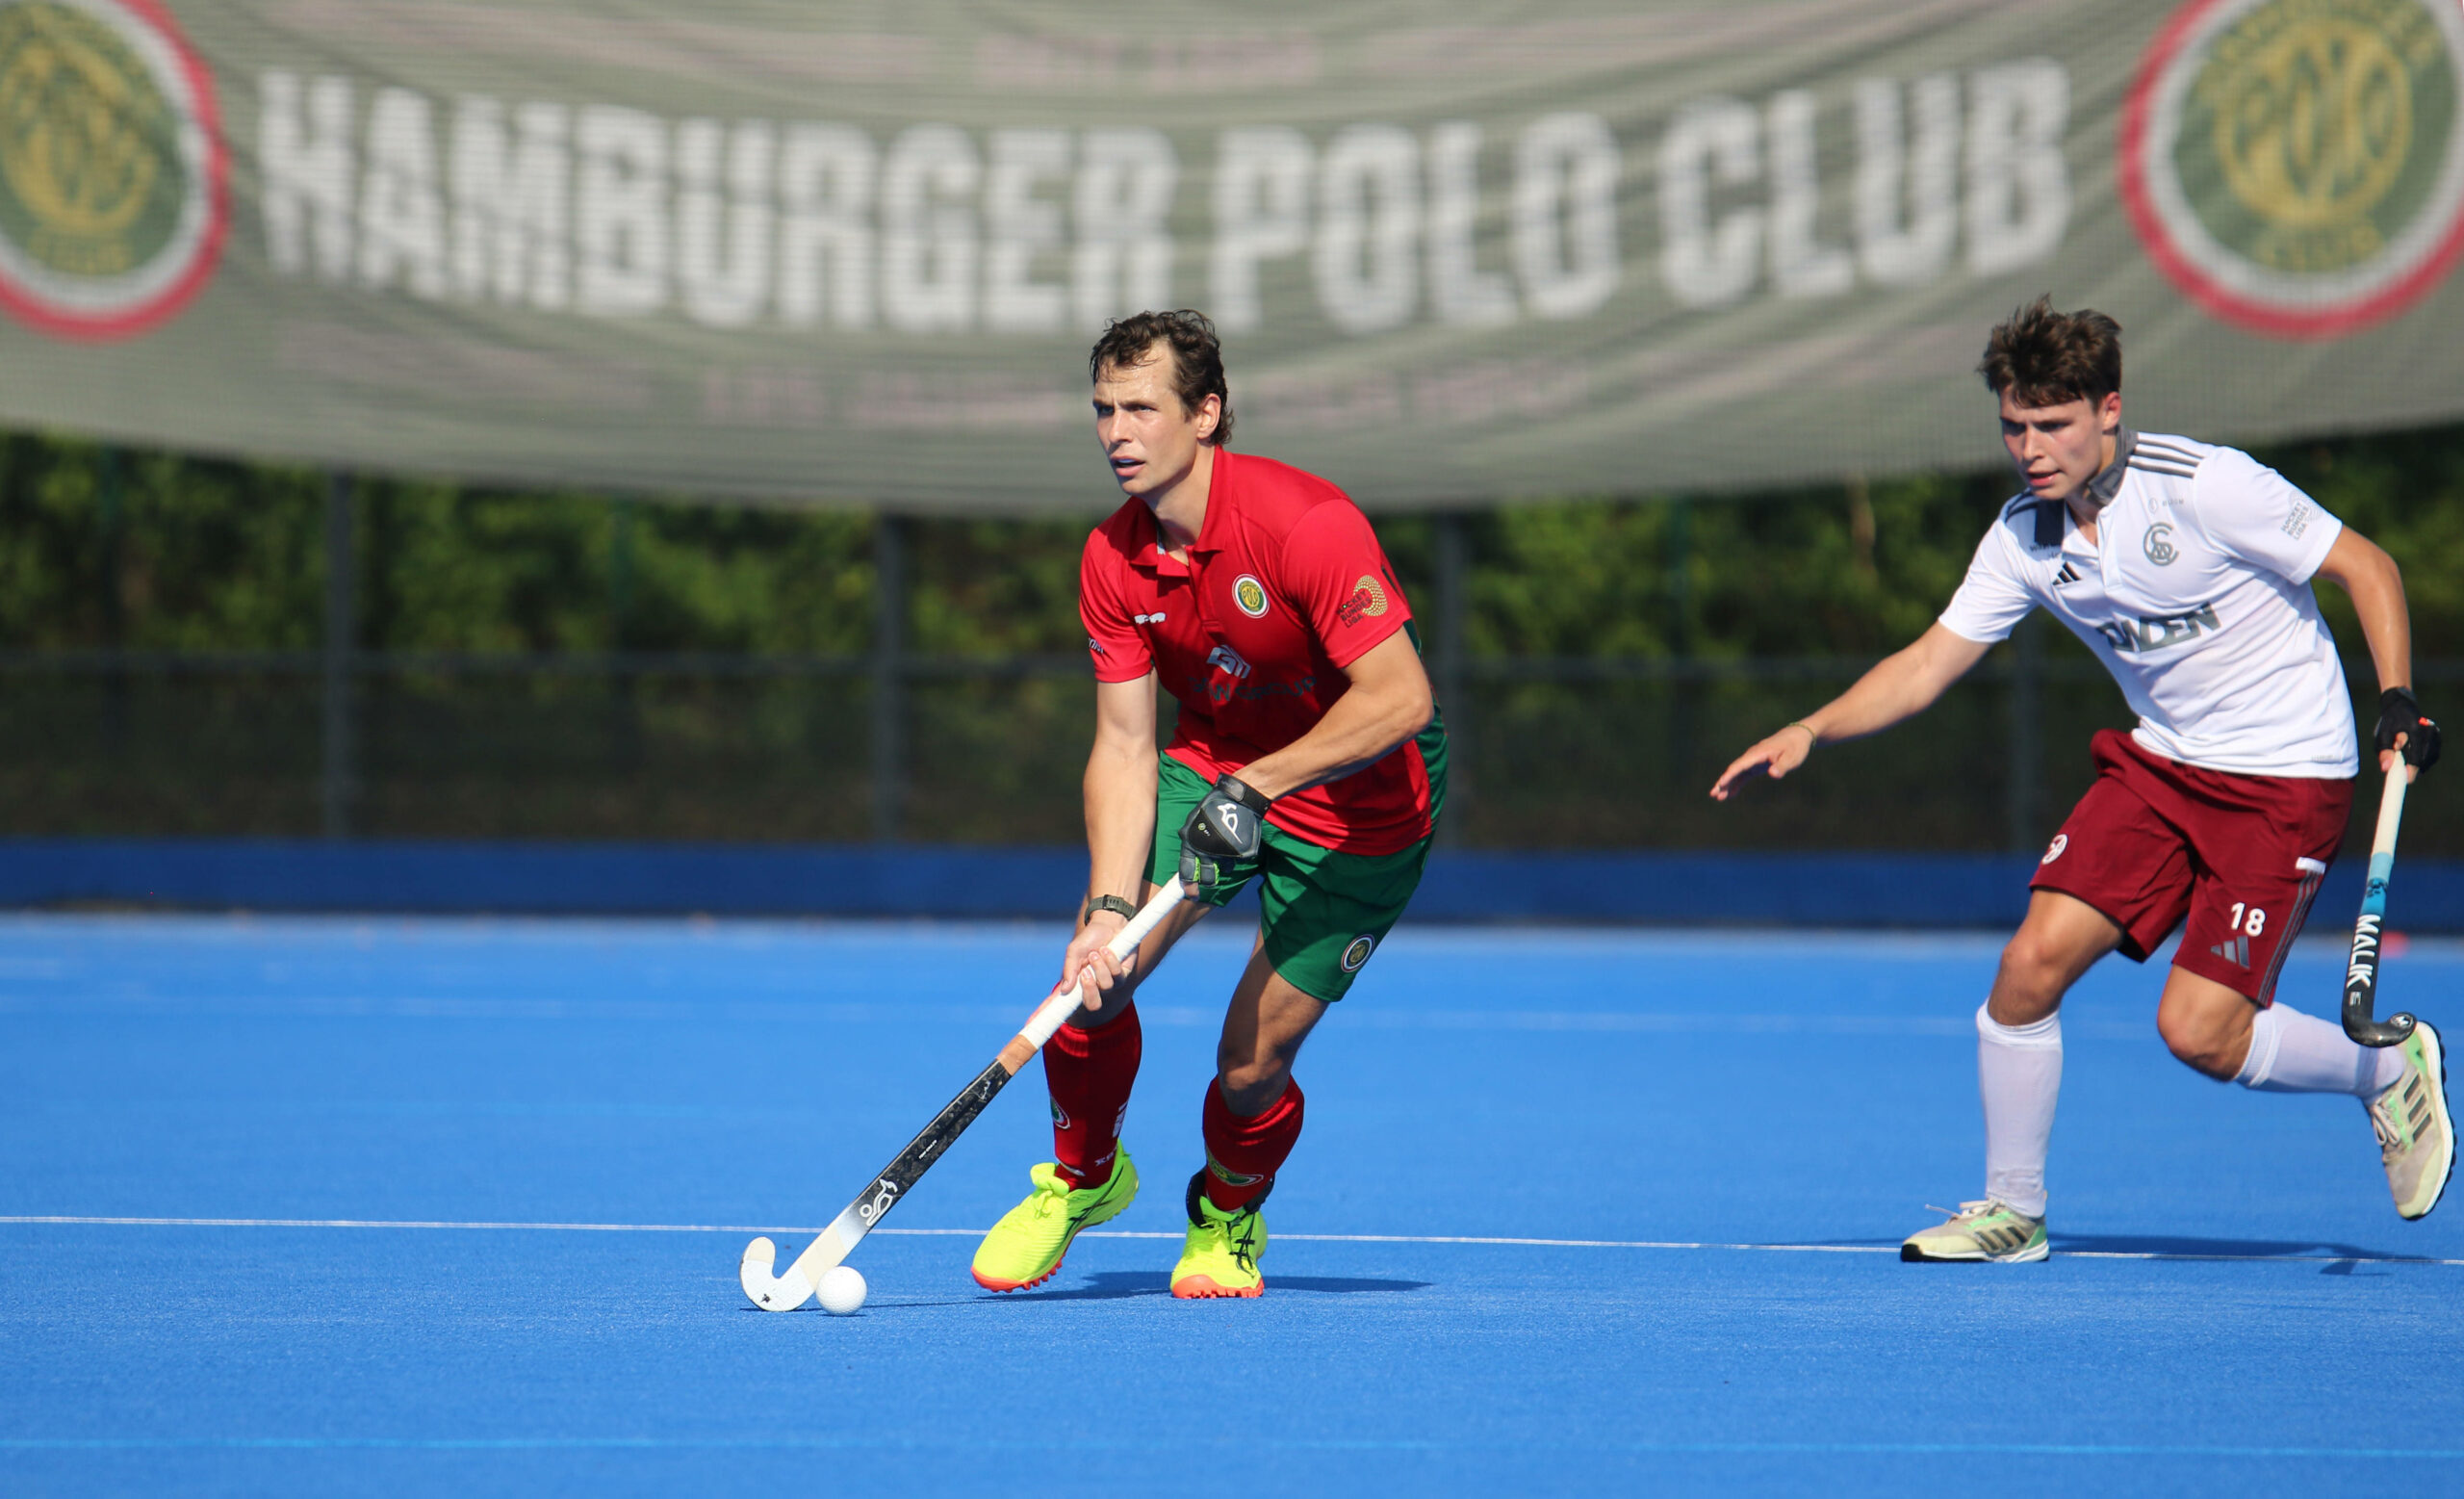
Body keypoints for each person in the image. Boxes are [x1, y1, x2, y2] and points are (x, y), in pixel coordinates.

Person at [1710, 297, 2449, 1262]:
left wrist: (2394, 697)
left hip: (2284, 779)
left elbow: (2366, 566)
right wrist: (1813, 727)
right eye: (2014, 426)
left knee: (2199, 1036)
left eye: (2051, 425)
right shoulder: (2023, 537)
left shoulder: (2204, 487)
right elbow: (1928, 662)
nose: (2030, 447)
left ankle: (2382, 1068)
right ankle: (2011, 1212)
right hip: (2161, 766)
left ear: (2108, 409)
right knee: (2027, 969)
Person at [968, 309, 1446, 1298]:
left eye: (1141, 407)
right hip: (1213, 759)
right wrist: (1106, 908)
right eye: (1101, 409)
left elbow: (1402, 699)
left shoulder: (1303, 525)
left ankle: (1226, 1215)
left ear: (1207, 414)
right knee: (1093, 981)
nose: (1116, 432)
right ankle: (1084, 1177)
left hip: (1359, 810)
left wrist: (1262, 785)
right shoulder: (1114, 558)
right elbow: (1125, 743)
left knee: (1249, 1064)